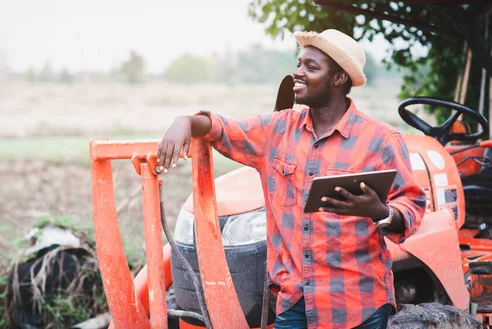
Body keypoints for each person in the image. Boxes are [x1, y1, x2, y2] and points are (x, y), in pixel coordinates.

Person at [157, 29, 426, 329]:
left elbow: (412, 206)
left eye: (311, 67)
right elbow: (223, 129)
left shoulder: (381, 140)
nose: (297, 73)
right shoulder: (276, 130)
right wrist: (186, 122)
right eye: (299, 64)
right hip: (295, 300)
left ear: (339, 78)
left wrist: (380, 212)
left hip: (356, 306)